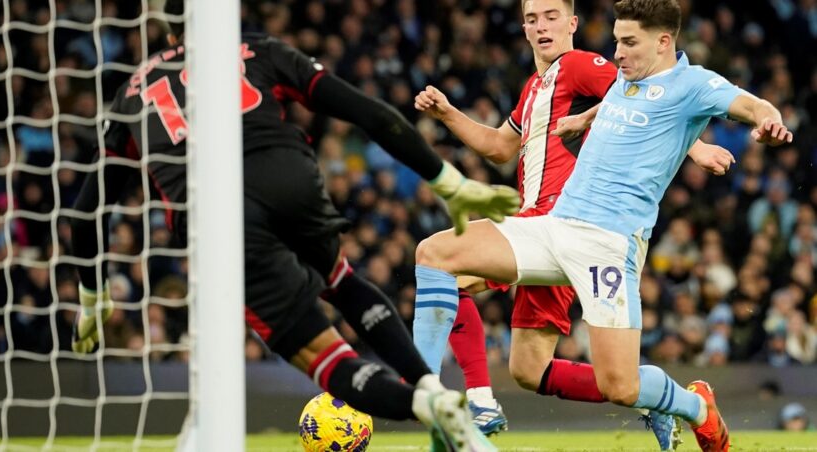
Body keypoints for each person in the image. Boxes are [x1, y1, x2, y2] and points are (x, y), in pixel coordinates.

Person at [69, 1, 521, 449]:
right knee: (342, 280)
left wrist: (93, 299)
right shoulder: (260, 48)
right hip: (290, 175)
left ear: (169, 34)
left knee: (321, 354)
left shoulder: (134, 89)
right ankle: (431, 388)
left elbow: (87, 210)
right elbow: (371, 113)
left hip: (221, 218)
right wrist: (449, 182)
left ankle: (420, 405)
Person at [411, 0, 793, 450]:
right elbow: (604, 102)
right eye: (616, 41)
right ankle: (425, 391)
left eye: (628, 43)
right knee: (435, 253)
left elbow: (751, 103)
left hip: (608, 246)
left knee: (621, 387)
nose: (617, 53)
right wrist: (584, 118)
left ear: (664, 42)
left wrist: (766, 120)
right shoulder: (622, 80)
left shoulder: (694, 84)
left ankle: (696, 407)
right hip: (554, 226)